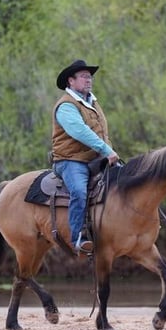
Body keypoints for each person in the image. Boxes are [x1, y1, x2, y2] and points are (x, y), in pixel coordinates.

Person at [51, 59, 120, 255]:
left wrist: (109, 153)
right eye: (83, 76)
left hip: (96, 159)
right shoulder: (65, 106)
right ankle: (79, 238)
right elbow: (79, 131)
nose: (88, 80)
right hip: (70, 160)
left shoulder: (93, 102)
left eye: (89, 77)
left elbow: (102, 132)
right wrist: (107, 150)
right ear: (70, 81)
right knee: (79, 192)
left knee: (127, 183)